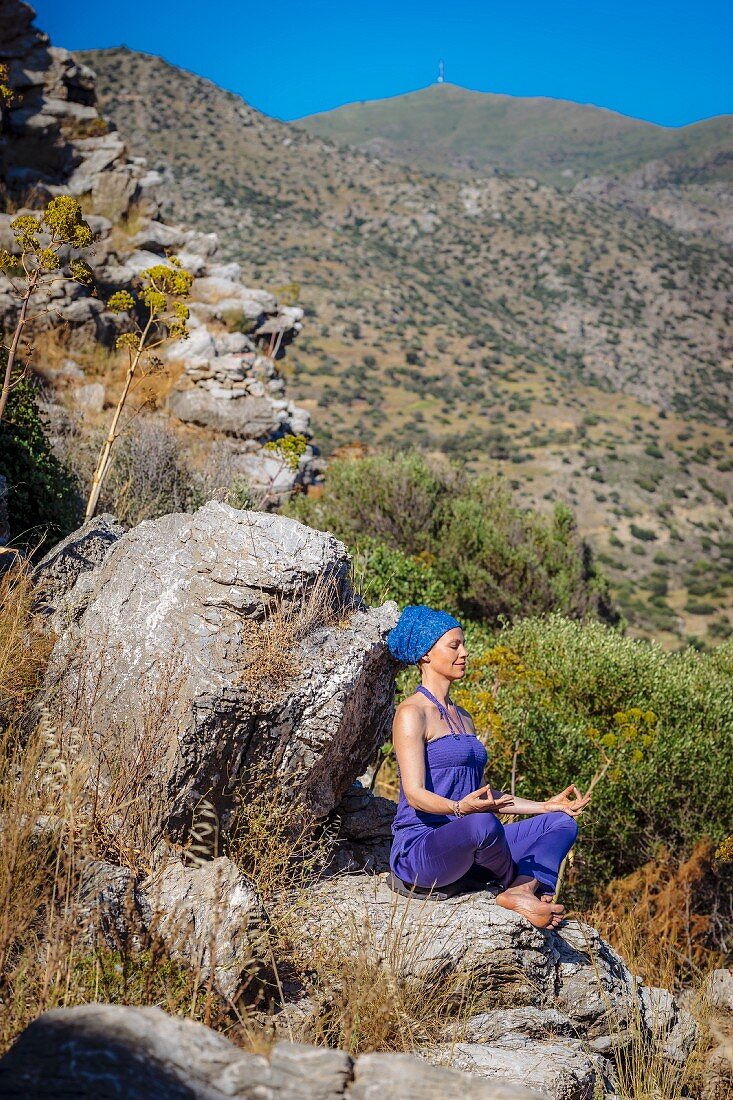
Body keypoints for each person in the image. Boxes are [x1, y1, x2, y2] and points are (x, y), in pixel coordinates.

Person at [386, 605, 590, 930]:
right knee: (482, 823)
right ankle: (518, 885)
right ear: (425, 654)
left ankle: (521, 890)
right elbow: (414, 794)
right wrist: (459, 808)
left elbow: (482, 795)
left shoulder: (463, 716)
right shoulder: (412, 713)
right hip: (422, 850)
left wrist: (544, 805)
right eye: (454, 646)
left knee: (560, 823)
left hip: (472, 842)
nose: (464, 653)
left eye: (463, 644)